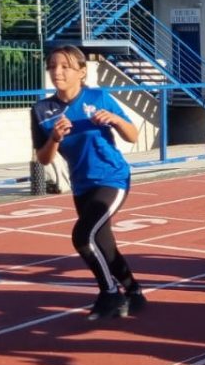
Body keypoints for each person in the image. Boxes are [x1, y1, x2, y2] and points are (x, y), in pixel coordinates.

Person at [31, 45, 144, 320]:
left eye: (65, 66)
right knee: (103, 243)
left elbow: (132, 135)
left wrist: (115, 120)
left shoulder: (98, 97)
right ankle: (134, 291)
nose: (57, 71)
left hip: (112, 178)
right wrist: (55, 138)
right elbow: (44, 159)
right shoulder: (42, 109)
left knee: (82, 236)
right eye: (52, 66)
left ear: (81, 72)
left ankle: (110, 294)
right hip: (81, 185)